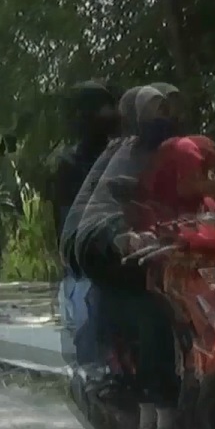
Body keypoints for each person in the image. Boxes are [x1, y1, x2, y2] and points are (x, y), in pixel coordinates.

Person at [71, 84, 190, 429]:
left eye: (169, 110)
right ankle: (159, 416)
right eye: (156, 111)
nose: (165, 119)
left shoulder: (183, 150)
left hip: (178, 260)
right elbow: (99, 212)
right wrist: (121, 238)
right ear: (137, 118)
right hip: (122, 268)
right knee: (156, 317)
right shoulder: (123, 157)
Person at [54, 82, 122, 369]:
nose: (108, 114)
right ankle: (96, 373)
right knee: (88, 313)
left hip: (130, 250)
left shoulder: (125, 153)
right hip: (90, 256)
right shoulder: (69, 162)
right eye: (100, 109)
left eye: (110, 107)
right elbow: (67, 219)